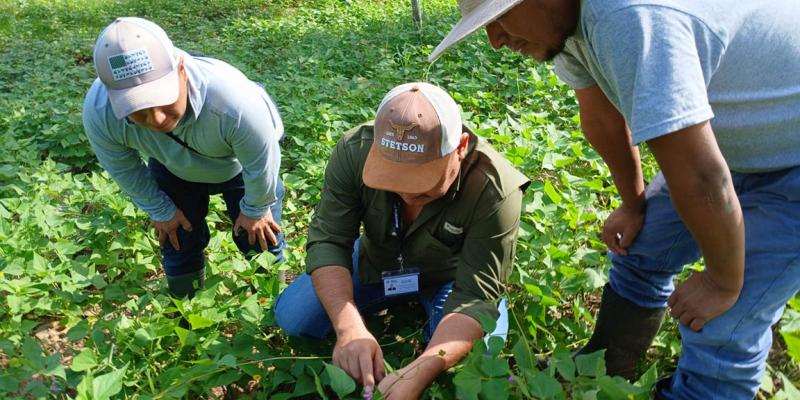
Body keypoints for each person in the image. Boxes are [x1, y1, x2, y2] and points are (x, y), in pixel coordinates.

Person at [429, 1, 800, 399]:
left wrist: (722, 282)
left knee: (726, 324)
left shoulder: (628, 17)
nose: (495, 40)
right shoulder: (567, 26)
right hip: (728, 150)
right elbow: (602, 118)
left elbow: (703, 177)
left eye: (500, 16)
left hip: (790, 164)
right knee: (637, 248)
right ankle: (603, 369)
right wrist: (633, 203)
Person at [274, 82, 529, 399]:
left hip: (451, 276)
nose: (407, 194)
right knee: (294, 317)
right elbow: (330, 241)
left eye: (423, 184)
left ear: (460, 147)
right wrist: (348, 326)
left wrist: (422, 368)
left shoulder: (495, 188)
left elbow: (476, 295)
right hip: (377, 260)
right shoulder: (355, 151)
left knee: (484, 351)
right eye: (392, 179)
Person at [83, 17, 285, 301]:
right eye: (138, 110)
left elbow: (262, 161)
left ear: (181, 69)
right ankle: (186, 315)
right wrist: (160, 209)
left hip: (240, 166)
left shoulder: (234, 102)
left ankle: (273, 309)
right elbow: (122, 165)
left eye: (161, 100)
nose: (156, 119)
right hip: (172, 165)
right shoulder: (100, 111)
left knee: (260, 238)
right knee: (177, 240)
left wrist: (255, 208)